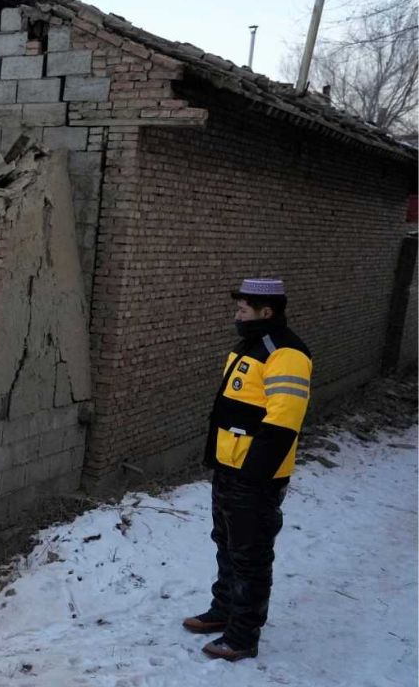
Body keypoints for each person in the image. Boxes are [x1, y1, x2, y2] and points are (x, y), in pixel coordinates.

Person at [183, 278, 313, 661]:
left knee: (251, 555)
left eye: (242, 310)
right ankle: (223, 610)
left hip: (254, 476)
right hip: (229, 467)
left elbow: (283, 422)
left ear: (266, 311)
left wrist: (253, 476)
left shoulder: (286, 353)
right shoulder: (250, 346)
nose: (236, 315)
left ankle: (243, 635)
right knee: (225, 544)